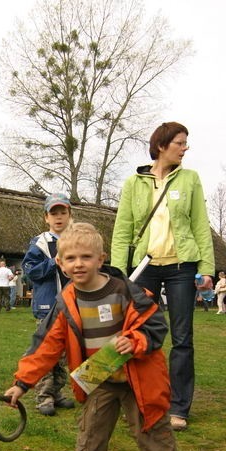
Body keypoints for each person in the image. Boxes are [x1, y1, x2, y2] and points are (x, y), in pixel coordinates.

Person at [6, 223, 183, 451]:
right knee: (91, 429)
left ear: (101, 259)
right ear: (61, 264)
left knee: (149, 424)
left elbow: (156, 325)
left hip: (137, 374)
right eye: (71, 259)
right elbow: (45, 346)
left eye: (86, 257)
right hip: (98, 375)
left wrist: (136, 341)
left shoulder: (127, 291)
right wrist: (21, 383)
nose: (79, 264)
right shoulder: (65, 302)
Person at [111, 121, 215, 432]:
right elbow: (122, 230)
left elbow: (200, 226)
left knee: (182, 338)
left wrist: (206, 268)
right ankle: (139, 399)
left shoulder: (191, 179)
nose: (185, 148)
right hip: (145, 268)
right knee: (138, 334)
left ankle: (179, 407)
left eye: (186, 143)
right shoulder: (134, 183)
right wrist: (118, 273)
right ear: (161, 146)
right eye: (180, 143)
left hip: (182, 267)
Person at [22, 192, 75, 416]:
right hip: (47, 307)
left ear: (70, 215)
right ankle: (43, 396)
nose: (59, 217)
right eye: (54, 213)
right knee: (47, 351)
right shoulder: (41, 243)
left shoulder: (76, 239)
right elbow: (30, 272)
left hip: (72, 306)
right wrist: (53, 263)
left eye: (63, 212)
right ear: (46, 217)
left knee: (64, 353)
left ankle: (56, 391)